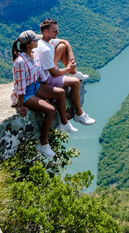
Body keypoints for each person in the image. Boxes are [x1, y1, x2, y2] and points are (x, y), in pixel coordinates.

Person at [11, 30, 79, 158]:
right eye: (35, 40)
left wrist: (50, 88)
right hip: (25, 93)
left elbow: (41, 75)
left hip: (36, 86)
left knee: (60, 93)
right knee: (50, 110)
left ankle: (64, 123)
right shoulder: (20, 62)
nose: (38, 41)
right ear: (27, 44)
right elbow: (20, 86)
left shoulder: (34, 54)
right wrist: (20, 105)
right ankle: (43, 143)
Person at [34, 19, 96, 125]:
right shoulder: (45, 49)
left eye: (57, 29)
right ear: (45, 32)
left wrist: (71, 59)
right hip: (46, 79)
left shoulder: (47, 41)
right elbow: (54, 73)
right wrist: (68, 68)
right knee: (75, 82)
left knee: (62, 46)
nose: (57, 32)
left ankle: (73, 72)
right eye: (55, 30)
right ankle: (79, 114)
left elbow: (65, 42)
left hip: (48, 71)